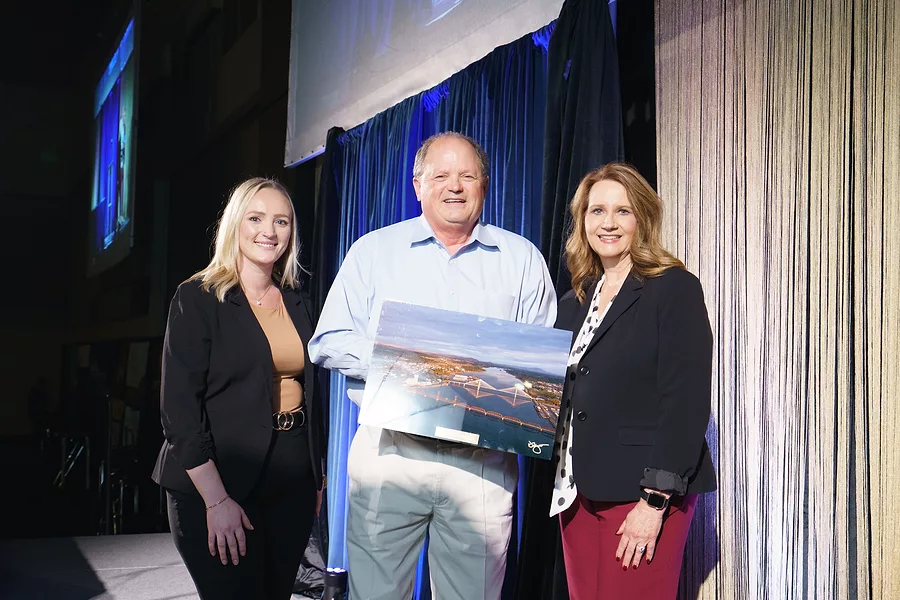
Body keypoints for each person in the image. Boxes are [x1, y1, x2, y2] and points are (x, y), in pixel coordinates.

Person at [309, 132, 557, 600]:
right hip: (389, 455)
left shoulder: (522, 259)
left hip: (481, 467)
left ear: (485, 185)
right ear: (417, 185)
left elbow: (539, 374)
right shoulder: (373, 252)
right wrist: (412, 366)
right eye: (441, 175)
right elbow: (327, 342)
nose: (454, 186)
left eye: (467, 176)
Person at [151, 177, 325, 600]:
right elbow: (180, 413)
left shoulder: (299, 300)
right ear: (235, 225)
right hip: (217, 479)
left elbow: (315, 392)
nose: (270, 231)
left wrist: (316, 479)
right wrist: (216, 501)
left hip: (292, 477)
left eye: (281, 221)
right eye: (256, 218)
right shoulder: (198, 298)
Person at [550, 163, 717, 599]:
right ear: (582, 220)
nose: (608, 223)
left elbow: (685, 401)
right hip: (577, 492)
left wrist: (655, 499)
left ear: (642, 218)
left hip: (642, 493)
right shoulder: (574, 301)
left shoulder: (673, 288)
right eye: (597, 211)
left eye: (622, 211)